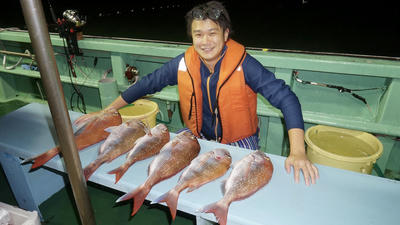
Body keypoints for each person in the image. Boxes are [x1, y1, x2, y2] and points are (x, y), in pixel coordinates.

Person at [75, 1, 319, 185]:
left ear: (225, 34)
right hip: (197, 134)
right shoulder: (184, 62)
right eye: (198, 34)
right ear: (191, 37)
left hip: (239, 139)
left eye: (212, 33)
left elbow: (286, 98)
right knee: (162, 168)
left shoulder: (246, 65)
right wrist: (108, 110)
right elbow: (147, 84)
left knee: (236, 185)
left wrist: (298, 151)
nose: (205, 42)